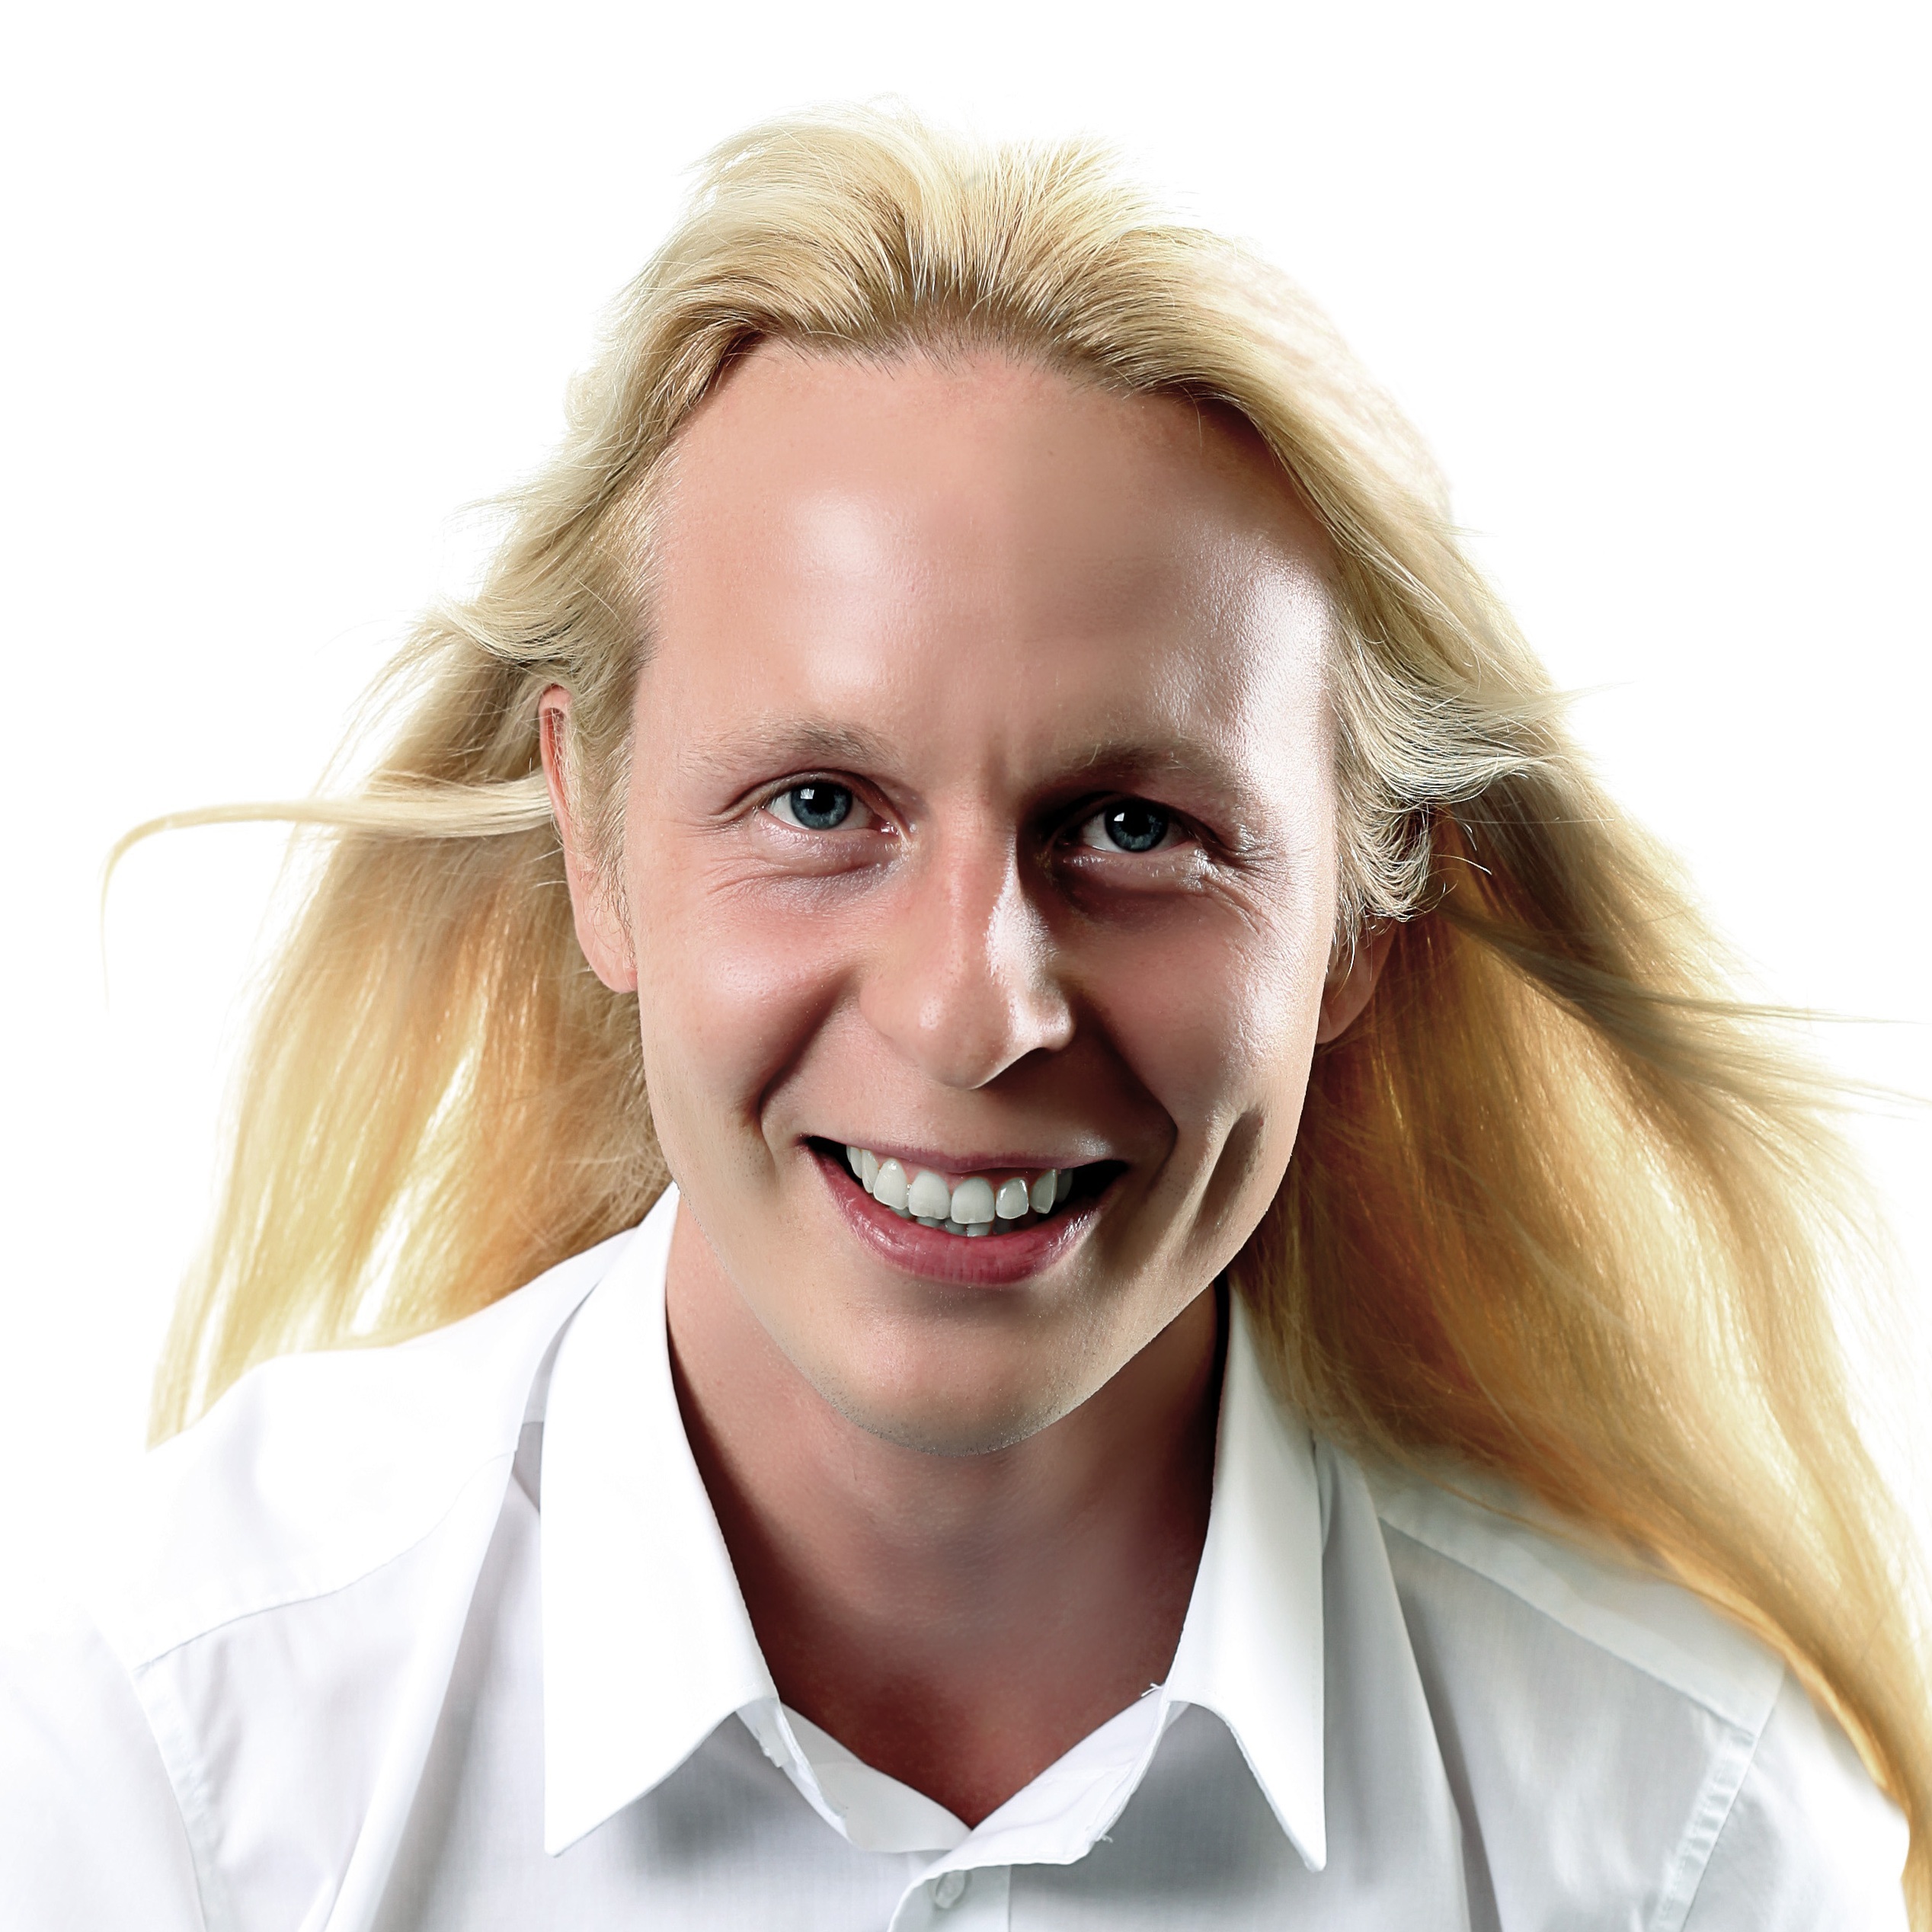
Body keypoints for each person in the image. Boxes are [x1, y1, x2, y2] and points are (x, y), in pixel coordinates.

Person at [3, 107, 1924, 1930]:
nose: (969, 1010)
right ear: (593, 837)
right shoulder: (167, 1751)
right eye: (818, 803)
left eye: (1133, 826)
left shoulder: (1685, 1843)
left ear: (1359, 910)